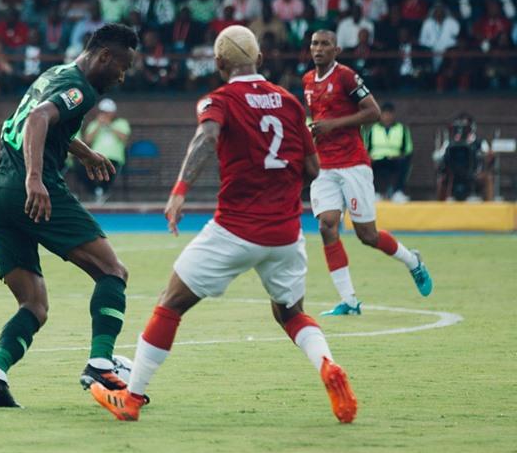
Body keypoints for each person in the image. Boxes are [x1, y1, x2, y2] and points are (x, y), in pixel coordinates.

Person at [90, 25, 357, 424]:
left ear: (218, 63)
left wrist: (179, 191)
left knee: (171, 302)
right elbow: (313, 168)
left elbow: (206, 137)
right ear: (260, 59)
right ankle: (327, 365)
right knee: (291, 313)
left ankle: (132, 398)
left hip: (235, 228)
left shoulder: (220, 100)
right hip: (286, 233)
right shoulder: (289, 102)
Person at [0, 23, 138, 408]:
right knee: (113, 272)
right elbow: (37, 120)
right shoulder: (81, 89)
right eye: (122, 66)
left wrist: (86, 153)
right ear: (104, 57)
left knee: (34, 304)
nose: (122, 76)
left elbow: (43, 122)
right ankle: (100, 365)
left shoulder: (55, 74)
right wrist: (34, 178)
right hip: (31, 189)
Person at [303, 30, 432, 317]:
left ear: (336, 50)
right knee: (326, 226)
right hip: (325, 166)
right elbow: (319, 120)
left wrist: (333, 124)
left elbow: (373, 112)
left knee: (367, 235)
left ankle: (412, 261)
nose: (319, 48)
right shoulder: (308, 80)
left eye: (325, 44)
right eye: (314, 44)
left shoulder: (346, 77)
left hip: (353, 164)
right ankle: (349, 301)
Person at [434, 113, 495, 202]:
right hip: (453, 176)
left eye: (464, 127)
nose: (461, 130)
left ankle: (489, 206)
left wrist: (486, 156)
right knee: (442, 180)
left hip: (473, 175)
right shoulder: (450, 143)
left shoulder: (479, 143)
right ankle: (440, 207)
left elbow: (489, 156)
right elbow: (439, 156)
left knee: (487, 179)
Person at [80, 98, 130, 203]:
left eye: (107, 112)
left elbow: (124, 138)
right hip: (95, 156)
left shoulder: (121, 123)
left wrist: (109, 125)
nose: (105, 114)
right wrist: (98, 125)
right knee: (80, 168)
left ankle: (102, 192)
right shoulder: (94, 124)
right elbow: (88, 140)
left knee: (108, 168)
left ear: (113, 112)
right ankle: (96, 192)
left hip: (113, 157)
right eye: (103, 112)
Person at [365, 102, 413, 202]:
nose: (387, 117)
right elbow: (365, 148)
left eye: (389, 114)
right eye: (385, 114)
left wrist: (399, 156)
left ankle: (398, 192)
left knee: (404, 163)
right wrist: (369, 157)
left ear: (393, 115)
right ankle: (375, 193)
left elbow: (408, 150)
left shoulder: (402, 129)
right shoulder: (373, 129)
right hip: (376, 160)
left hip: (394, 159)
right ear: (381, 115)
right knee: (366, 165)